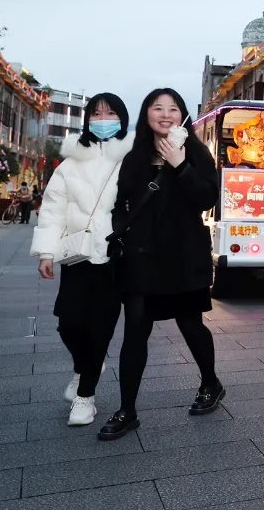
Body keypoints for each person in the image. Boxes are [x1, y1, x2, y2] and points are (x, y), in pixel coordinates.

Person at [98, 89, 223, 441]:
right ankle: (127, 410)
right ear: (147, 114)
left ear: (182, 115)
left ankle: (210, 383)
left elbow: (207, 198)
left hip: (184, 257)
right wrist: (122, 230)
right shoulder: (134, 156)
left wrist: (180, 164)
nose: (166, 114)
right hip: (141, 258)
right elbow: (120, 203)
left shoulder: (196, 153)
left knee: (190, 324)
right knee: (135, 330)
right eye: (158, 108)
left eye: (173, 108)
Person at [30, 93, 131, 426]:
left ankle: (85, 397)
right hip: (77, 255)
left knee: (100, 327)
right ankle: (87, 366)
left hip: (115, 257)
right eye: (96, 114)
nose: (103, 119)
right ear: (87, 120)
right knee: (69, 323)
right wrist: (47, 252)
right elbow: (53, 209)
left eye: (110, 113)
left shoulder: (133, 159)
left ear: (122, 119)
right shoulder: (71, 163)